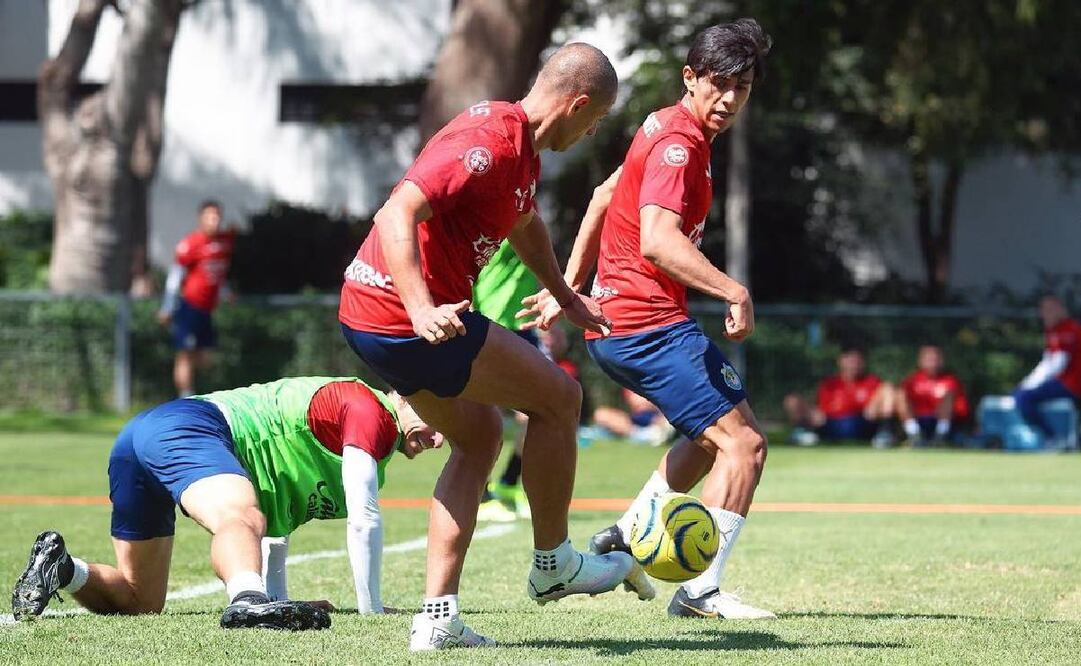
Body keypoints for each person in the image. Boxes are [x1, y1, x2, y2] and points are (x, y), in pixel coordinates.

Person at [337, 43, 652, 651]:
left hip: (371, 319)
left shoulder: (521, 154)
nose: (590, 135)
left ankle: (437, 617)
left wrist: (565, 291)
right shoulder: (489, 145)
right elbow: (396, 211)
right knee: (559, 398)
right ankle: (554, 563)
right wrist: (420, 307)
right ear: (577, 104)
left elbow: (525, 224)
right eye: (594, 123)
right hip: (410, 319)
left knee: (481, 438)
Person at [521, 19, 775, 620]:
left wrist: (571, 286)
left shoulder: (660, 124)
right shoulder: (679, 144)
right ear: (690, 78)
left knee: (706, 440)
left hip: (625, 323)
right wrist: (732, 289)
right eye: (719, 84)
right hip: (648, 324)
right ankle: (700, 590)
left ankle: (629, 534)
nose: (730, 99)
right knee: (745, 446)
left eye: (742, 88)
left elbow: (606, 196)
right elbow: (660, 241)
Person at [11, 377, 440, 630]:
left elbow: (279, 520)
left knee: (141, 601)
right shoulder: (373, 413)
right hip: (188, 425)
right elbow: (364, 517)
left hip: (140, 436)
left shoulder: (357, 426)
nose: (438, 438)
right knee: (239, 516)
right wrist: (373, 610)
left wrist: (283, 601)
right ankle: (246, 599)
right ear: (401, 394)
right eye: (438, 418)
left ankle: (64, 569)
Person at [472, 240, 539, 522]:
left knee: (538, 414)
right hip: (491, 322)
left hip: (523, 328)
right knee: (487, 414)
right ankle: (481, 494)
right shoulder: (502, 219)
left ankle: (510, 482)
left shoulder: (525, 212)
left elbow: (535, 268)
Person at [158, 200, 235, 397]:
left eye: (217, 216)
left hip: (207, 310)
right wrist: (167, 307)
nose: (215, 220)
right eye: (210, 216)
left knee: (205, 359)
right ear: (201, 218)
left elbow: (217, 274)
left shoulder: (223, 244)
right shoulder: (191, 243)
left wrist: (226, 292)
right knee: (185, 355)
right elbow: (176, 276)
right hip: (189, 308)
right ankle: (186, 398)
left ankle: (199, 395)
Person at [783, 347, 897, 446]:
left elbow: (876, 407)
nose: (853, 365)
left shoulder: (872, 382)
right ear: (841, 361)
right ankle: (801, 432)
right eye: (850, 360)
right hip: (831, 424)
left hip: (862, 423)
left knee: (888, 388)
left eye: (857, 361)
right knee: (792, 400)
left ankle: (886, 432)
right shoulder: (829, 384)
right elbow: (820, 410)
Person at [1012, 295, 1081, 444]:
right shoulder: (1055, 330)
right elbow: (1048, 361)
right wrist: (1029, 382)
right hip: (1065, 382)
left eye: (1049, 309)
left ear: (1060, 310)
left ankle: (1052, 438)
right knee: (1022, 394)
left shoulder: (1068, 329)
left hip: (1072, 384)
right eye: (1043, 310)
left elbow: (1057, 363)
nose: (1044, 314)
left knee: (1023, 397)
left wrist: (1030, 384)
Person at [897, 345, 970, 445]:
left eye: (935, 359)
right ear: (920, 361)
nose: (932, 363)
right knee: (900, 394)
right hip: (918, 419)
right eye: (929, 360)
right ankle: (913, 435)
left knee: (949, 395)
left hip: (941, 420)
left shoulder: (950, 381)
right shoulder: (911, 380)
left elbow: (962, 408)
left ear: (941, 361)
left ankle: (940, 436)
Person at [589, 389, 675, 446]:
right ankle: (651, 435)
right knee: (601, 414)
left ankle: (657, 434)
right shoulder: (631, 381)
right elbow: (636, 403)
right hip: (634, 425)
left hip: (658, 420)